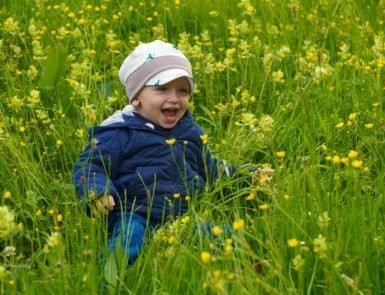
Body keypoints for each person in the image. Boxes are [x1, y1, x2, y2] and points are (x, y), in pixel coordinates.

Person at [73, 40, 273, 266]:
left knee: (229, 235)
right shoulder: (120, 131)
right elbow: (90, 165)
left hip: (181, 218)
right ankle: (107, 280)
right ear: (137, 97)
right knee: (128, 243)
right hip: (135, 213)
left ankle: (251, 268)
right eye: (161, 88)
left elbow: (210, 167)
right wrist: (97, 191)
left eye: (183, 90)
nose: (174, 98)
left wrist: (249, 177)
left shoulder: (189, 131)